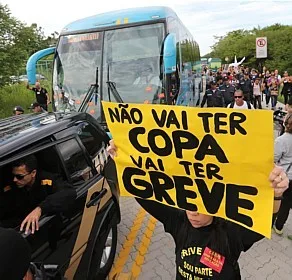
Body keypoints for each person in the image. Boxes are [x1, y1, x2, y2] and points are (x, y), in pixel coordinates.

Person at [107, 140, 288, 279]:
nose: (192, 212)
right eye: (188, 204)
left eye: (200, 206)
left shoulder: (231, 232)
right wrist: (121, 161)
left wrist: (276, 193)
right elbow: (143, 194)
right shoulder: (180, 221)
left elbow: (266, 219)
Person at [0, 155, 76, 234]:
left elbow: (68, 192)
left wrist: (40, 209)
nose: (15, 179)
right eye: (14, 175)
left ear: (33, 173)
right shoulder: (12, 187)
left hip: (51, 227)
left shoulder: (47, 180)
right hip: (22, 228)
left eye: (19, 176)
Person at [273, 113, 292, 235]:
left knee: (277, 199)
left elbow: (274, 157)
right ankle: (279, 226)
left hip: (283, 177)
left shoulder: (281, 140)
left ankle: (270, 221)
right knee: (287, 203)